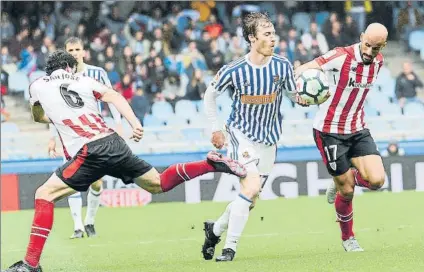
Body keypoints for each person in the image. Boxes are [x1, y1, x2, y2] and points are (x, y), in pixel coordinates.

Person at [4, 50, 247, 272]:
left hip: (90, 150)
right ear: (69, 67)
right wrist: (135, 123)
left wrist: (50, 116)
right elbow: (114, 96)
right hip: (113, 141)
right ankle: (209, 164)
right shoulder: (85, 80)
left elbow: (37, 116)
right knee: (157, 183)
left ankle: (30, 265)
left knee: (43, 195)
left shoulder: (37, 85)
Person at [201, 12, 308, 262]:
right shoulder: (234, 70)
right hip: (241, 135)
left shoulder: (282, 65)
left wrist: (306, 98)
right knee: (250, 188)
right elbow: (210, 95)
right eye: (267, 34)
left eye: (273, 33)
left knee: (250, 199)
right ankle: (230, 248)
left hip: (269, 139)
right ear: (252, 38)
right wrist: (216, 128)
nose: (273, 38)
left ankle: (214, 231)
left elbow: (293, 94)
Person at [294, 23, 388, 252]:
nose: (369, 52)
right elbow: (303, 69)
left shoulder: (379, 61)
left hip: (357, 129)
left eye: (375, 48)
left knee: (377, 181)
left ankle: (347, 177)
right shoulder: (340, 56)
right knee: (347, 191)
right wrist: (297, 92)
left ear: (382, 47)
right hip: (329, 131)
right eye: (367, 45)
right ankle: (348, 238)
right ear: (361, 37)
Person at [47, 37, 123, 239]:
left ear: (84, 51)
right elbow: (53, 108)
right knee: (72, 180)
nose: (74, 53)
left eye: (77, 49)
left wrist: (119, 123)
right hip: (69, 137)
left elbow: (112, 97)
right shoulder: (57, 78)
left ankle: (89, 221)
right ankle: (78, 226)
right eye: (70, 49)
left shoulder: (97, 73)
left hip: (94, 136)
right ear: (64, 52)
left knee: (97, 182)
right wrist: (52, 136)